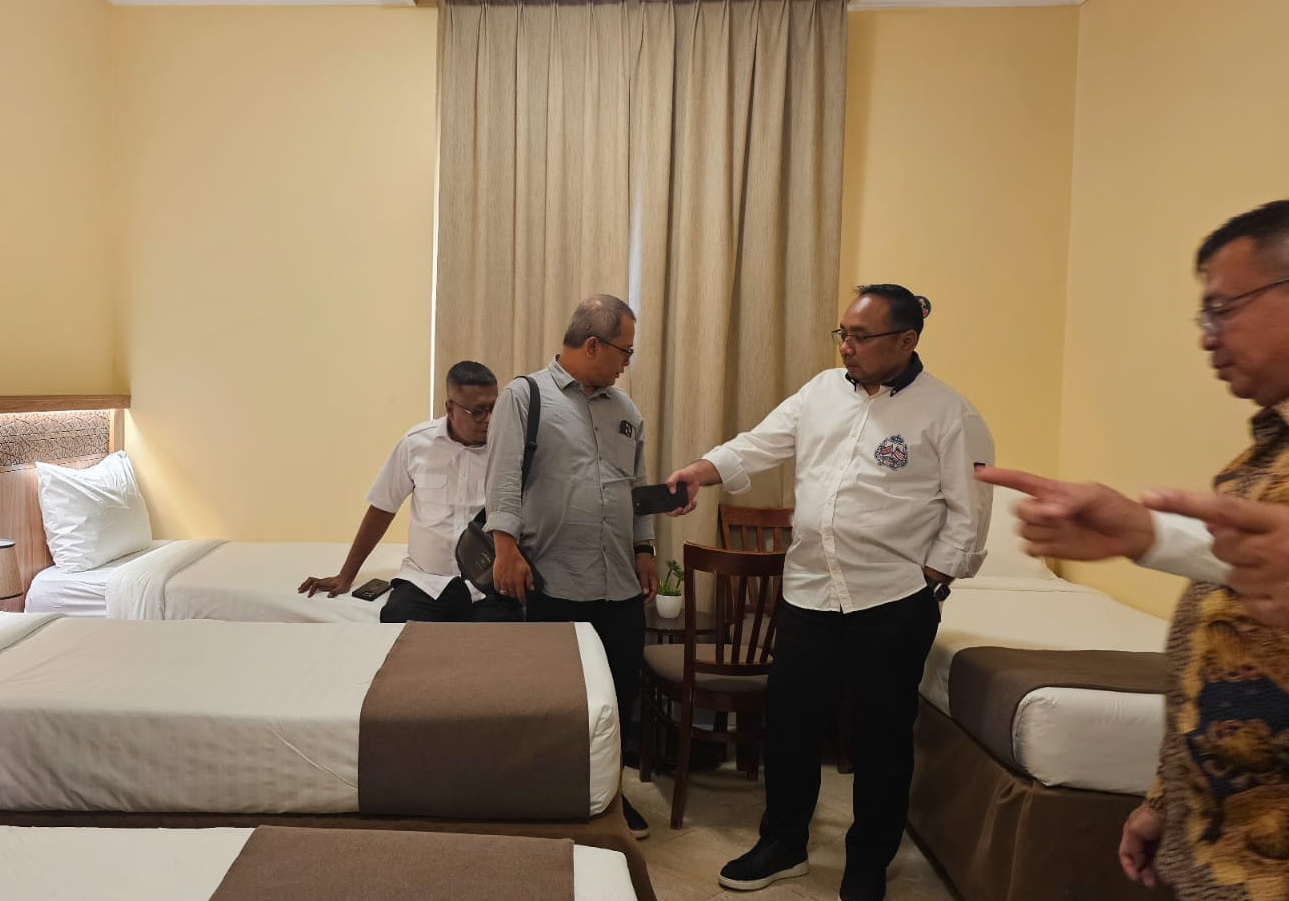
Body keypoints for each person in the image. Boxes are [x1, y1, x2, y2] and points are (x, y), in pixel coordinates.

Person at [978, 200, 1289, 901]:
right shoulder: (1262, 458)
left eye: (1223, 309)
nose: (1207, 337)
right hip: (1214, 852)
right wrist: (1166, 797)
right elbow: (1231, 619)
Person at [664, 284, 994, 901]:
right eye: (843, 333)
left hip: (892, 602)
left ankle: (868, 860)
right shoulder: (819, 392)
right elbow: (759, 443)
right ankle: (783, 843)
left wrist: (932, 580)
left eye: (860, 336)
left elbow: (969, 513)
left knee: (882, 739)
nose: (846, 346)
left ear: (906, 340)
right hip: (809, 593)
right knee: (790, 727)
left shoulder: (951, 414)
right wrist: (701, 472)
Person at [484, 294, 657, 839]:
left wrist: (646, 549)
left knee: (620, 698)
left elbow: (636, 486)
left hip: (619, 585)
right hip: (553, 580)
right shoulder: (525, 396)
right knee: (557, 701)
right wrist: (505, 548)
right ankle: (552, 798)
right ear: (594, 345)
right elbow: (502, 476)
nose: (627, 362)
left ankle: (612, 797)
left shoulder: (625, 410)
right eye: (625, 351)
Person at [299, 361, 521, 622]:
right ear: (450, 408)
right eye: (478, 411)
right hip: (425, 582)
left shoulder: (507, 449)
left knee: (503, 639)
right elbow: (382, 509)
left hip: (487, 583)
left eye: (494, 408)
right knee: (396, 627)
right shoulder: (416, 444)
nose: (489, 419)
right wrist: (346, 575)